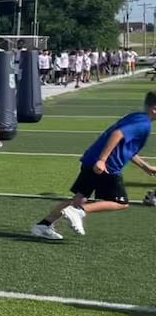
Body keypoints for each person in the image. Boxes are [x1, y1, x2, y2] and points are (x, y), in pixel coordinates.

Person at [30, 91, 156, 240]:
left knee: (78, 199)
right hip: (107, 165)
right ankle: (80, 212)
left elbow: (126, 147)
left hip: (93, 160)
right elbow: (117, 134)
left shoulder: (136, 117)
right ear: (154, 109)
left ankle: (43, 225)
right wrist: (102, 160)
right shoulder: (143, 123)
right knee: (120, 203)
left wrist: (145, 166)